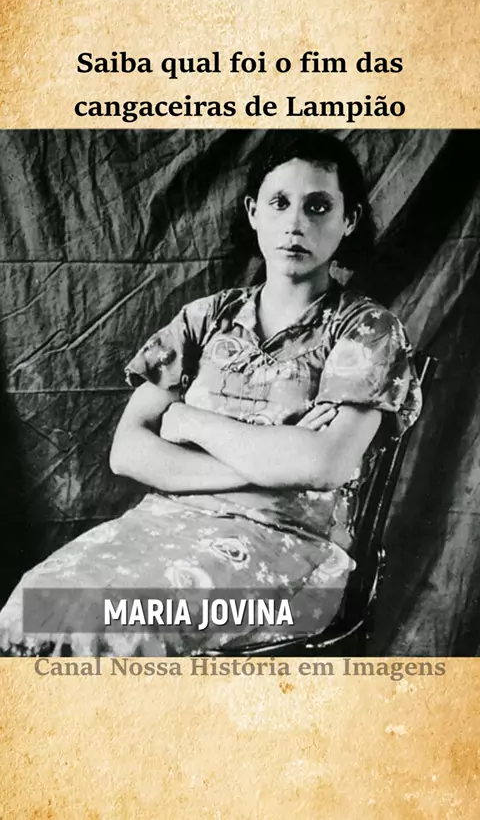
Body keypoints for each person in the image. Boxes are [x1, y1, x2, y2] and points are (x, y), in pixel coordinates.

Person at [0, 131, 422, 657]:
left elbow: (324, 464)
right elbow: (127, 451)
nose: (295, 223)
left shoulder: (366, 330)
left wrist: (188, 422)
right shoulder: (204, 319)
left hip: (292, 554)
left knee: (125, 628)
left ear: (349, 220)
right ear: (253, 212)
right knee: (32, 607)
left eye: (318, 206)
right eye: (279, 202)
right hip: (164, 526)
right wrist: (273, 461)